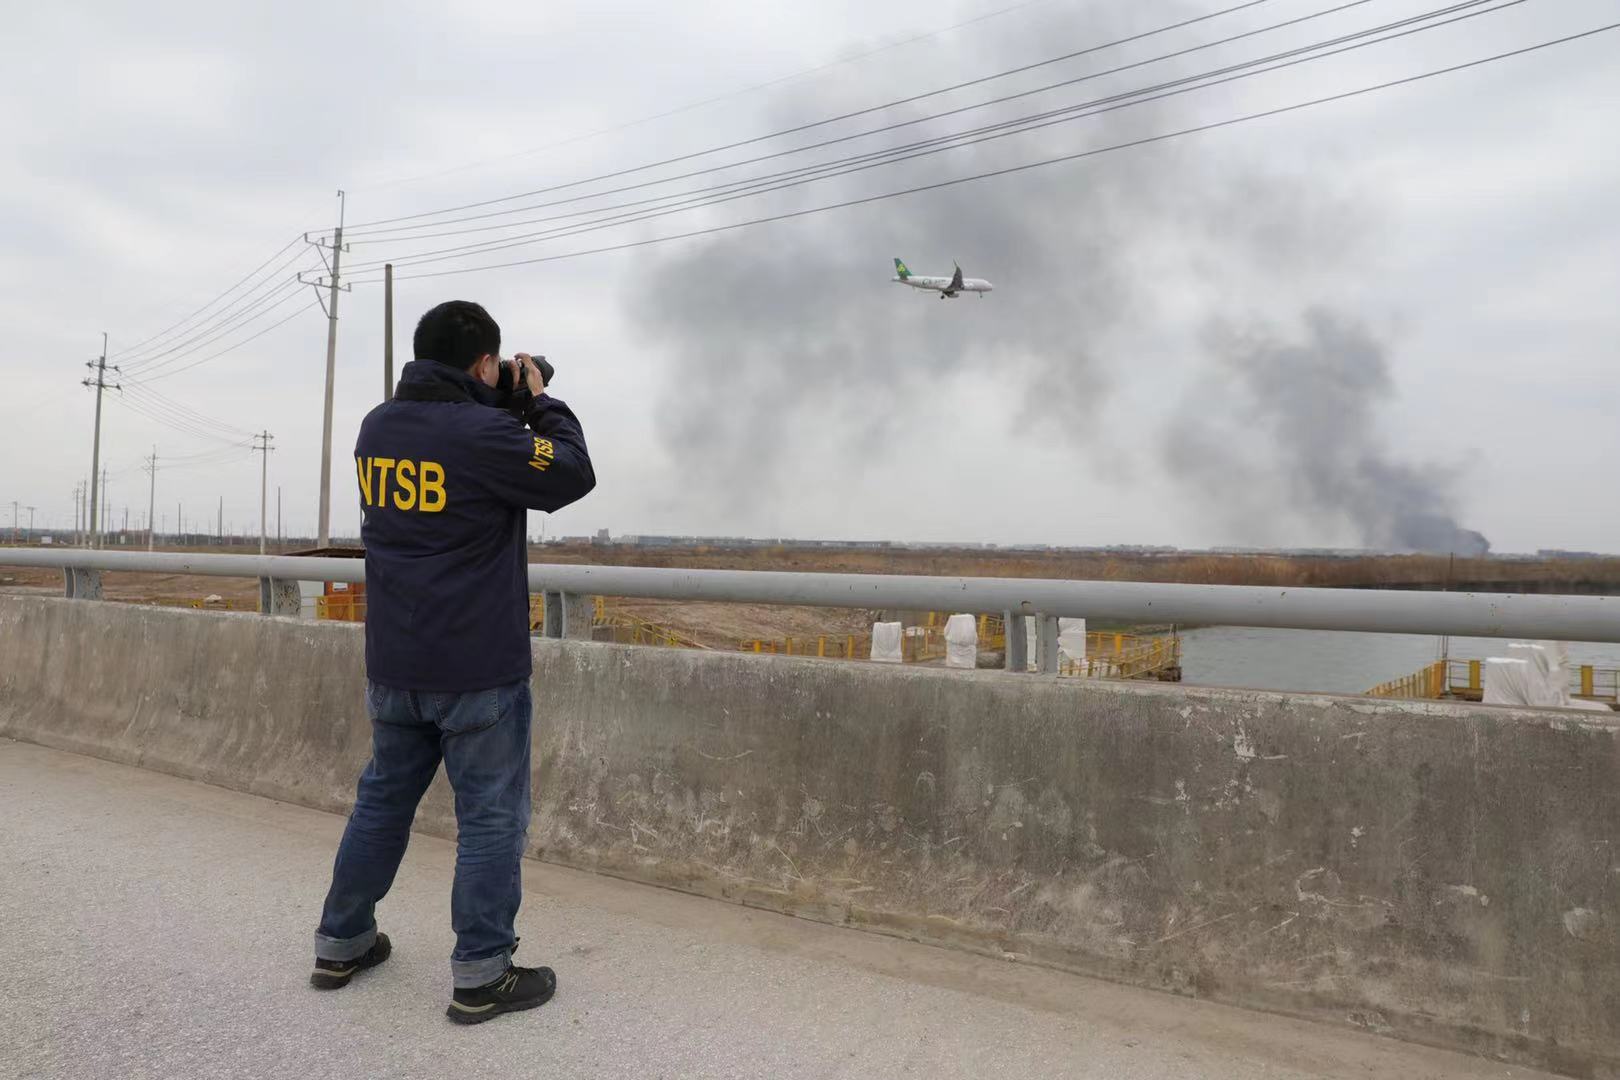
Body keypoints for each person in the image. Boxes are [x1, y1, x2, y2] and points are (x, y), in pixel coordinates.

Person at [310, 300, 595, 1024]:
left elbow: (447, 449)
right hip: (476, 669)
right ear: (482, 364)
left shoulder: (377, 427)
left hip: (396, 665)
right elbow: (570, 472)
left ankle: (341, 941)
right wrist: (539, 401)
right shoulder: (486, 432)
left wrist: (496, 402)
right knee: (492, 820)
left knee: (382, 802)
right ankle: (482, 974)